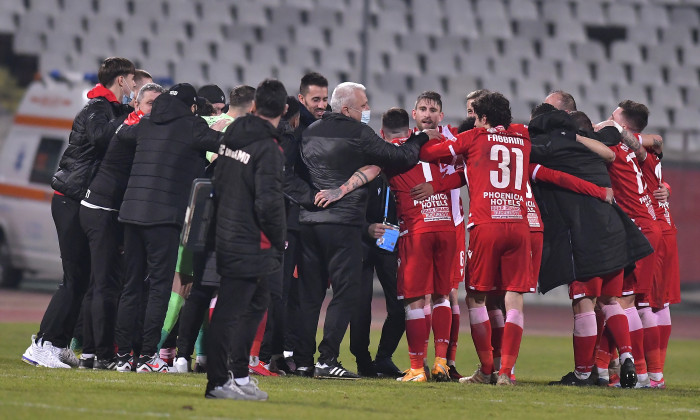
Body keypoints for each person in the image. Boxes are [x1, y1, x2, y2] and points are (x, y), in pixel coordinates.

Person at [293, 82, 433, 379]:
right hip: (344, 224)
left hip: (309, 222)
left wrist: (310, 200)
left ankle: (303, 361)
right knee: (345, 293)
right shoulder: (358, 133)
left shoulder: (309, 132)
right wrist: (419, 139)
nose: (368, 110)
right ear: (347, 109)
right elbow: (398, 158)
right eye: (364, 104)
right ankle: (327, 359)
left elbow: (295, 176)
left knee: (309, 295)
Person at [22, 57, 135, 369]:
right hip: (69, 197)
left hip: (78, 198)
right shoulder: (96, 107)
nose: (135, 88)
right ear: (121, 80)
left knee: (83, 277)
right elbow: (101, 138)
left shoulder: (109, 108)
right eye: (132, 82)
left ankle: (58, 343)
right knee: (73, 278)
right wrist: (131, 117)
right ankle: (41, 343)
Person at [527, 103, 650, 388]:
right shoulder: (595, 146)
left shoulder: (550, 148)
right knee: (611, 301)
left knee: (583, 304)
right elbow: (610, 148)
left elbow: (554, 176)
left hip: (586, 235)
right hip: (616, 231)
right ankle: (628, 356)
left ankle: (583, 374)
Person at [420, 92, 531, 386]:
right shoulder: (523, 137)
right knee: (513, 297)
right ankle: (507, 372)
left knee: (476, 297)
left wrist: (426, 137)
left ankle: (485, 369)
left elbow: (431, 154)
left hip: (486, 224)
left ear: (481, 119)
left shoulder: (474, 137)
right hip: (519, 226)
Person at [113, 83, 225, 373]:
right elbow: (225, 146)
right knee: (159, 288)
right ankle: (148, 356)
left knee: (131, 287)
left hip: (131, 213)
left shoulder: (146, 124)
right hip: (162, 218)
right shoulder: (192, 126)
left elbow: (122, 134)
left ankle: (123, 355)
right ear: (191, 107)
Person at [205, 79, 288, 400]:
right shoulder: (268, 149)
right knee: (230, 311)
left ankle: (238, 376)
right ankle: (217, 383)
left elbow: (219, 182)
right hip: (251, 240)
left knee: (254, 305)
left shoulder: (231, 136)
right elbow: (269, 203)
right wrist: (279, 239)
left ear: (254, 107)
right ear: (283, 109)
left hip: (226, 231)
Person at [77, 83, 166, 370]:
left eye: (158, 104)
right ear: (138, 104)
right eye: (151, 103)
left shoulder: (128, 122)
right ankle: (103, 355)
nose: (155, 109)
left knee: (100, 284)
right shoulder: (140, 127)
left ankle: (91, 352)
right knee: (106, 285)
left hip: (100, 206)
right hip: (103, 208)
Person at [171, 85, 257, 374]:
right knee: (223, 290)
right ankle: (208, 355)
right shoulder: (244, 130)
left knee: (191, 288)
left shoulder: (203, 123)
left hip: (195, 212)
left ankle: (178, 355)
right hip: (228, 215)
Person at [593, 100, 663, 389]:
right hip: (647, 226)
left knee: (624, 302)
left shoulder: (615, 152)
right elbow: (654, 140)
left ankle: (641, 373)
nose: (606, 121)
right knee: (630, 303)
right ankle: (641, 374)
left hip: (639, 229)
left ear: (623, 126)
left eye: (612, 117)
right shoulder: (638, 152)